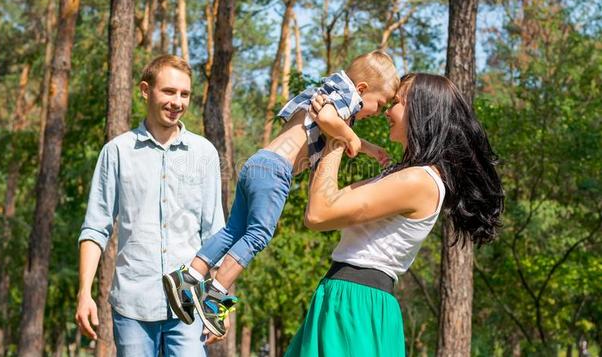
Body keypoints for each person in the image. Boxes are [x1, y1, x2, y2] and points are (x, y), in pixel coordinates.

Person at [163, 50, 400, 337]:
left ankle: (189, 276)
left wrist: (371, 149)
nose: (377, 110)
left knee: (233, 230)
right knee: (258, 234)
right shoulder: (347, 99)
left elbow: (329, 120)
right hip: (276, 172)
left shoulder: (329, 88)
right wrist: (349, 136)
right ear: (362, 89)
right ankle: (215, 295)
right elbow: (327, 118)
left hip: (257, 162)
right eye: (380, 103)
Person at [285, 73, 504, 356]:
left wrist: (337, 135)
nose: (387, 111)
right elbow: (326, 202)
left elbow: (318, 214)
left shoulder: (419, 181)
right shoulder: (403, 175)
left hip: (356, 306)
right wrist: (338, 133)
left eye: (398, 102)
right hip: (345, 299)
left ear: (421, 112)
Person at [75, 55, 225, 356]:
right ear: (146, 90)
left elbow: (215, 233)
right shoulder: (116, 152)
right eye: (168, 91)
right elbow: (95, 227)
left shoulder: (205, 153)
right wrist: (84, 293)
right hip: (132, 305)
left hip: (189, 305)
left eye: (184, 94)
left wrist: (219, 306)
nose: (177, 101)